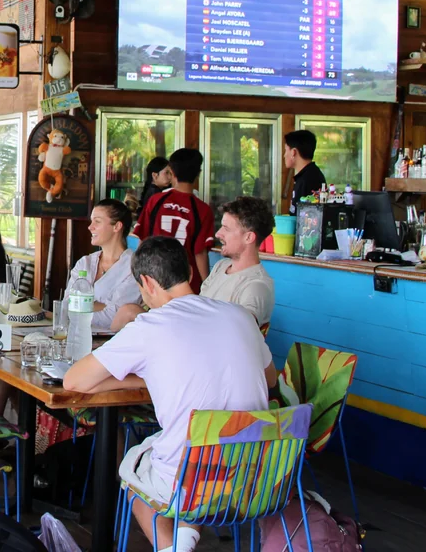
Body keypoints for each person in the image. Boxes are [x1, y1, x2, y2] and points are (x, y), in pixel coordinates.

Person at [63, 237, 276, 552]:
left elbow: (73, 381)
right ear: (189, 271)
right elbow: (269, 378)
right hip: (258, 476)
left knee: (136, 474)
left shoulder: (150, 326)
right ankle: (184, 540)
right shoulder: (240, 316)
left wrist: (131, 379)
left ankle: (174, 549)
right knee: (179, 453)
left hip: (194, 476)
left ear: (146, 283)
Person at [131, 148, 215, 293]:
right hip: (186, 283)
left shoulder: (156, 201)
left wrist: (139, 275)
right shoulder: (202, 209)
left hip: (154, 278)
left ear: (172, 172)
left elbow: (143, 240)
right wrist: (207, 286)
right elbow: (200, 253)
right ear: (198, 174)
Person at [200, 196, 275, 328]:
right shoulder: (221, 266)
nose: (218, 234)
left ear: (249, 237)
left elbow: (240, 334)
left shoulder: (256, 286)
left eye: (226, 229)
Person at [69, 199, 141, 332]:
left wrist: (80, 307)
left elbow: (113, 316)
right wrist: (102, 305)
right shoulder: (84, 263)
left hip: (111, 344)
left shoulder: (133, 266)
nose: (90, 227)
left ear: (117, 227)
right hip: (76, 337)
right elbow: (66, 306)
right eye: (91, 221)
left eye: (97, 221)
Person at [284, 129, 325, 215]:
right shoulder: (305, 176)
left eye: (286, 150)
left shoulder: (309, 179)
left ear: (293, 152)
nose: (284, 155)